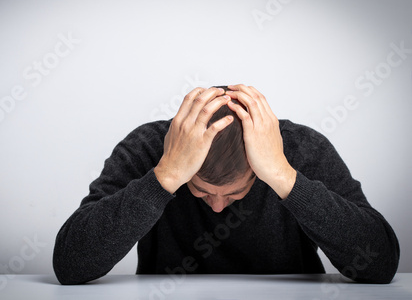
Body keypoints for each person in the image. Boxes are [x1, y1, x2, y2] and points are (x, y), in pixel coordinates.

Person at [53, 84, 400, 285]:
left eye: (235, 192)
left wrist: (282, 175)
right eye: (201, 191)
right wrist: (166, 177)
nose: (218, 206)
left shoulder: (299, 149)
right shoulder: (150, 148)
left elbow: (380, 264)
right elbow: (71, 266)